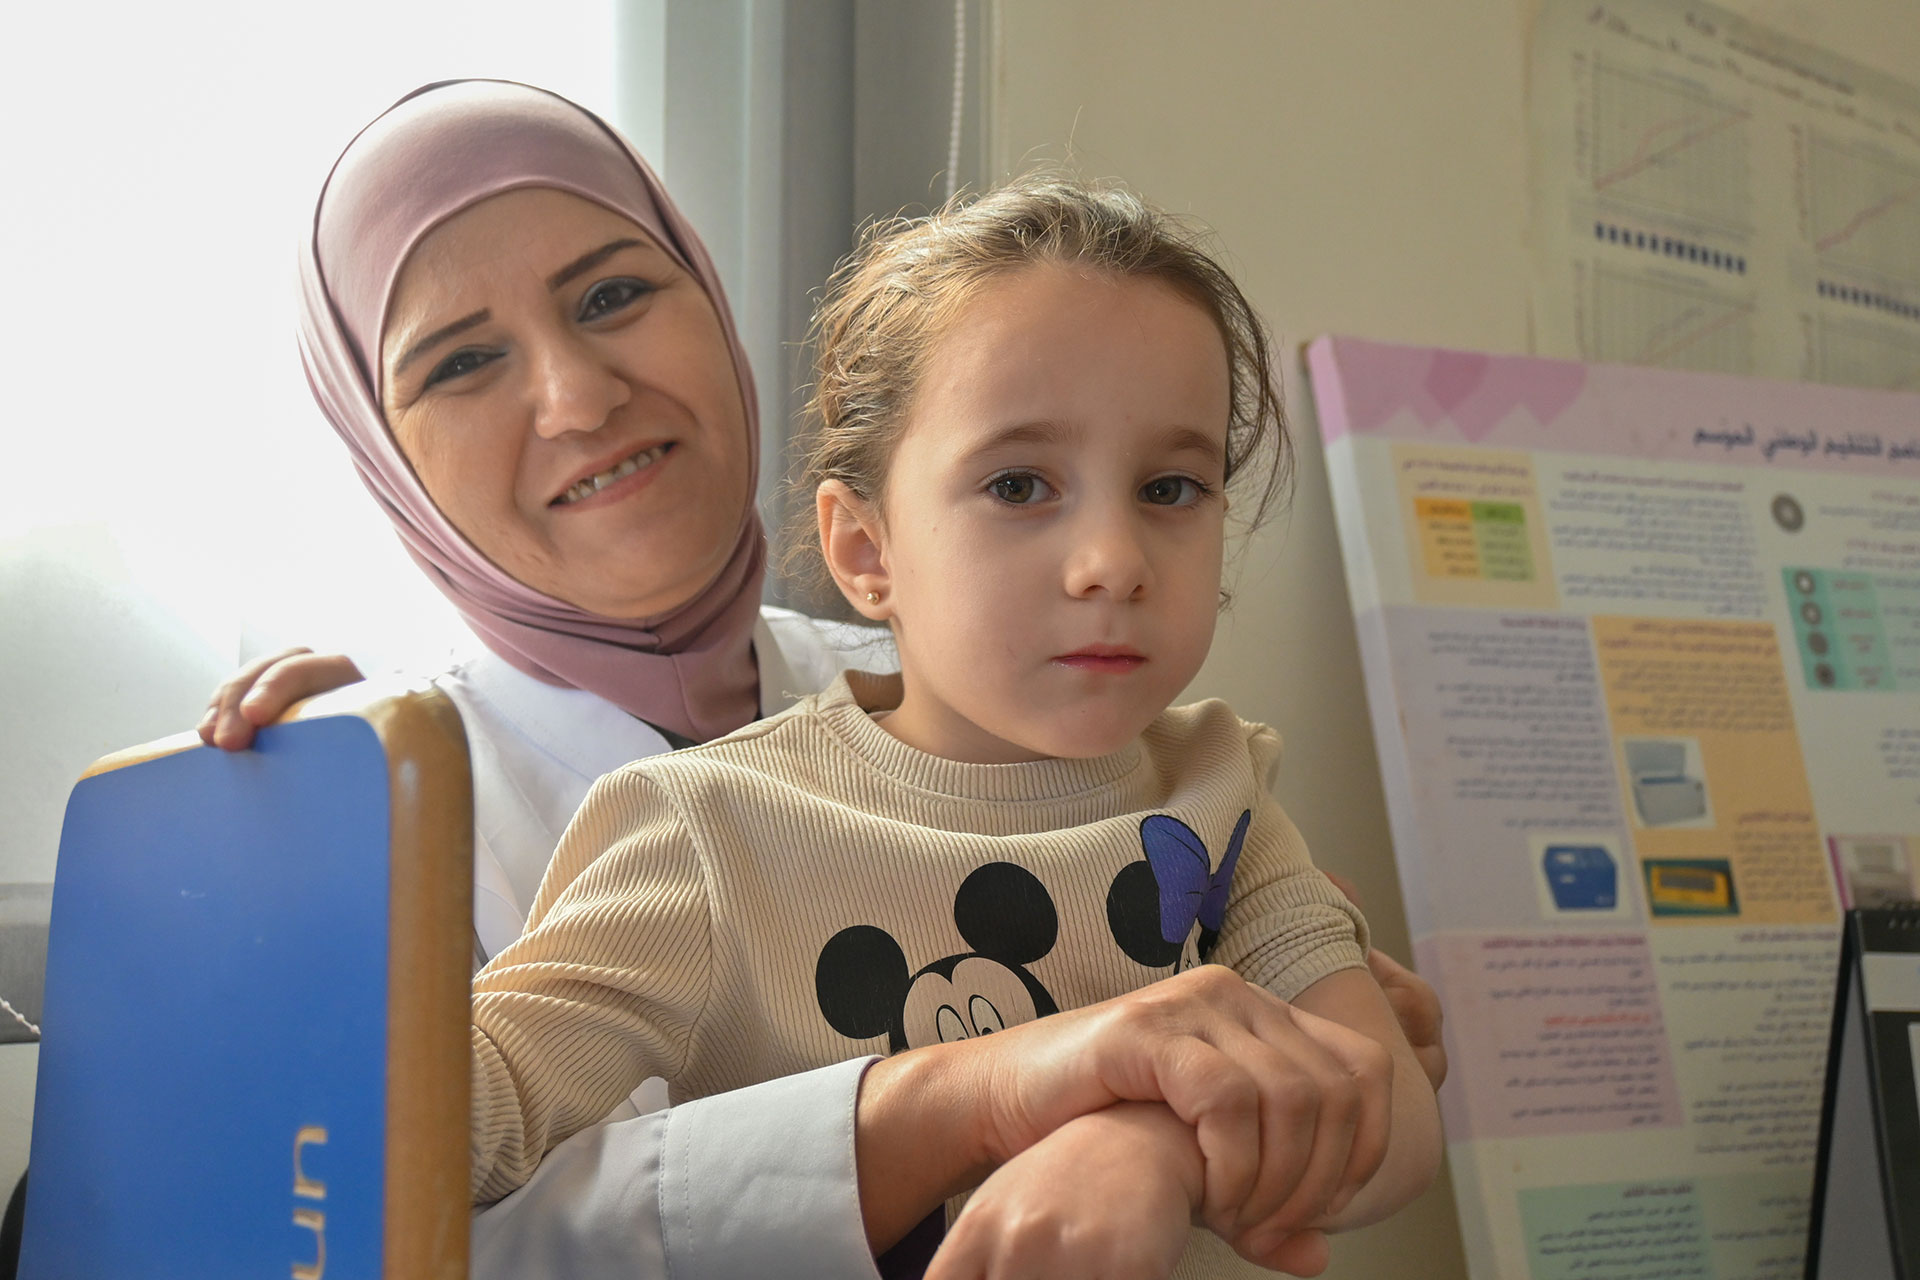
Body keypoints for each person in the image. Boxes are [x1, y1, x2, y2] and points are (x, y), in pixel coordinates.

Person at [200, 80, 1446, 1279]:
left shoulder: (1213, 777)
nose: (1110, 561)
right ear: (864, 546)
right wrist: (256, 920)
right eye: (459, 363)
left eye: (616, 291)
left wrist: (1186, 1124)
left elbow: (1374, 1088)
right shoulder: (668, 820)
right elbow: (360, 1175)